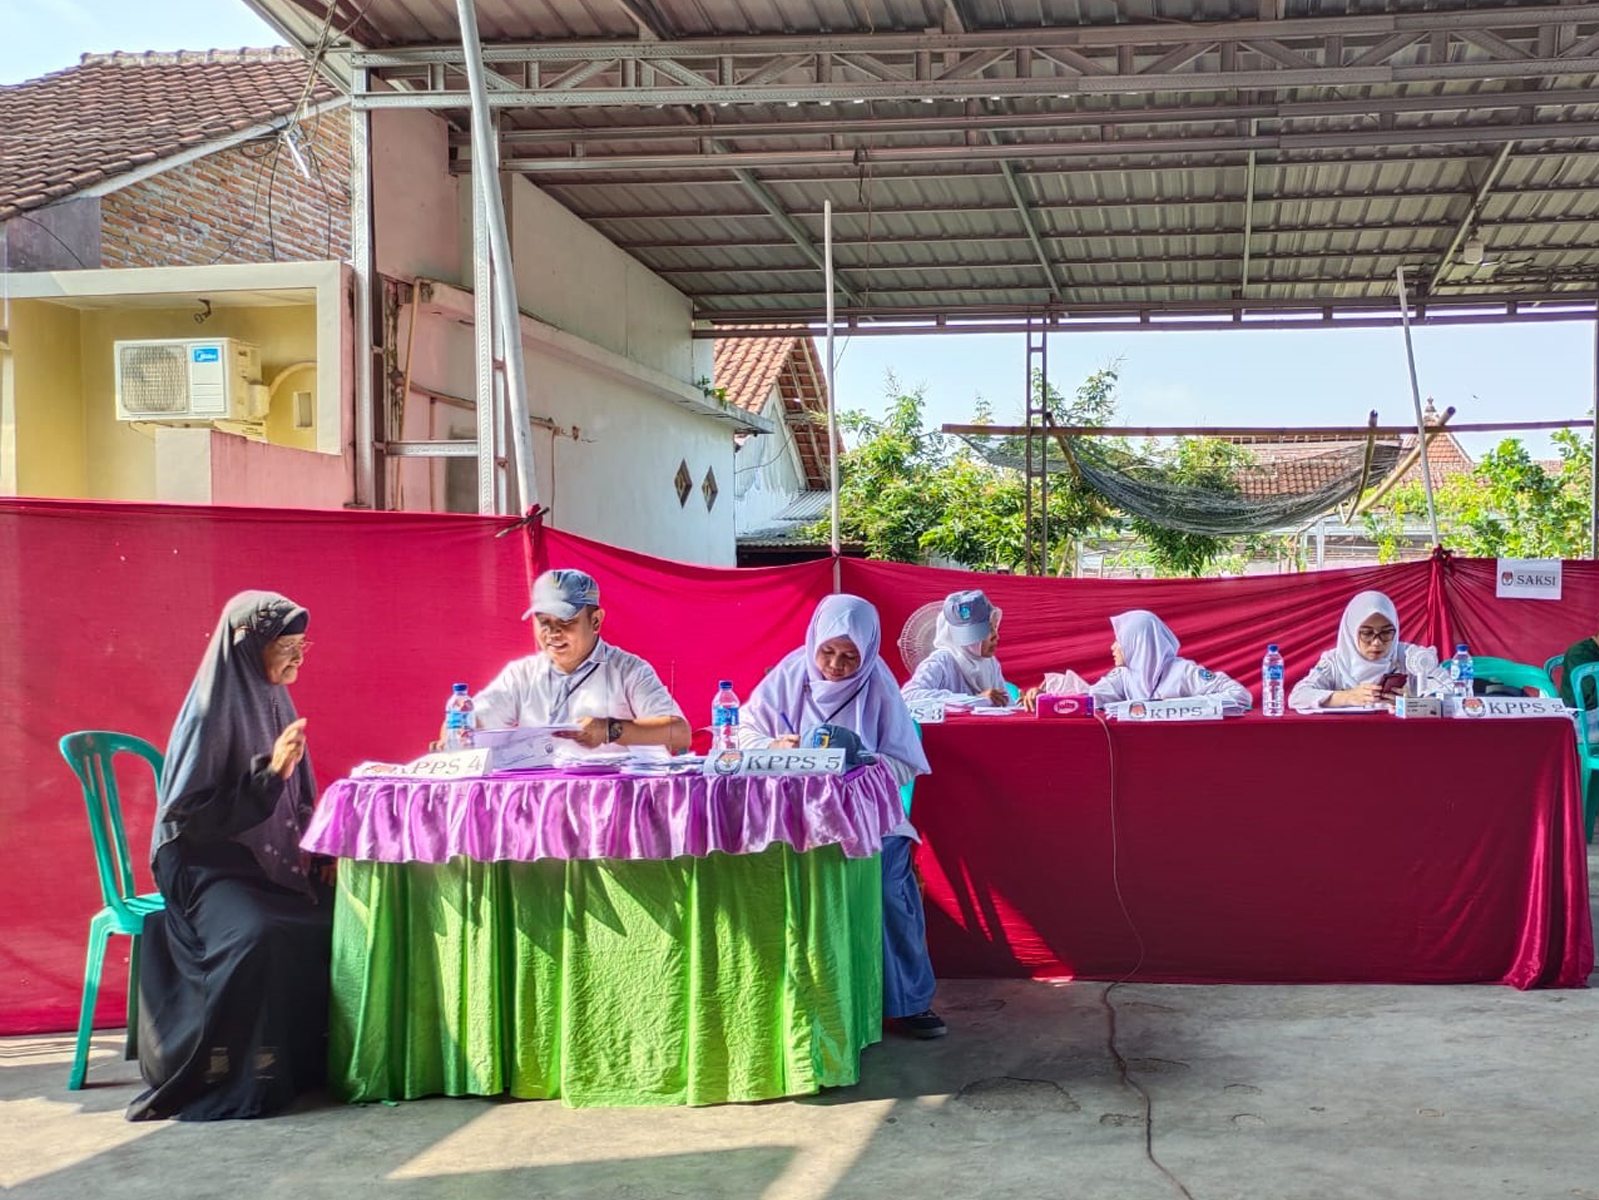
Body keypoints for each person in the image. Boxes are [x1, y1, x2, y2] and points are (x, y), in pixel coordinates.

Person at [128, 591, 332, 1122]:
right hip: (204, 862)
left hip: (259, 859)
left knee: (337, 916)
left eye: (302, 644)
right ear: (246, 647)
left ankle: (306, 1066)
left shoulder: (274, 697)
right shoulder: (208, 712)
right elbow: (190, 819)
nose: (298, 656)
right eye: (286, 645)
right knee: (258, 934)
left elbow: (297, 798)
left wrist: (320, 848)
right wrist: (271, 776)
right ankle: (236, 1074)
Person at [740, 594, 945, 1040]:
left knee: (889, 889)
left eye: (850, 656)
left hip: (870, 818)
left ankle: (910, 1002)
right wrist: (774, 746)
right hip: (795, 816)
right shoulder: (791, 673)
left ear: (867, 652)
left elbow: (905, 762)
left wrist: (860, 763)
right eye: (827, 652)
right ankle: (789, 999)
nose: (835, 665)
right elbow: (745, 732)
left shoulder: (878, 684)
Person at [470, 568, 691, 755]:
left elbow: (680, 734)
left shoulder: (628, 670)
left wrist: (609, 730)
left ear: (595, 621)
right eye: (543, 621)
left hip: (614, 791)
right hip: (544, 791)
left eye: (565, 621)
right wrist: (460, 726)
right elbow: (474, 721)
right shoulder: (521, 674)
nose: (553, 632)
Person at [1288, 591, 1451, 712]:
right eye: (1367, 633)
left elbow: (1450, 691)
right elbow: (1298, 696)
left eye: (1386, 632)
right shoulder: (1335, 661)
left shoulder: (1412, 658)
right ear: (1351, 631)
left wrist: (1415, 703)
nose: (1377, 642)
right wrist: (1347, 697)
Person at [1083, 609, 1251, 708]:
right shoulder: (1123, 675)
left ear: (1138, 643)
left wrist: (1183, 705)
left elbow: (1240, 696)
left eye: (1119, 641)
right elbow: (1091, 700)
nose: (1113, 647)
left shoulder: (1183, 672)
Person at [900, 589, 1013, 708]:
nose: (995, 636)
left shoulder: (990, 664)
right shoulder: (941, 663)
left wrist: (1023, 704)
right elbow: (908, 696)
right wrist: (973, 700)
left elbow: (1008, 705)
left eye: (994, 627)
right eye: (985, 631)